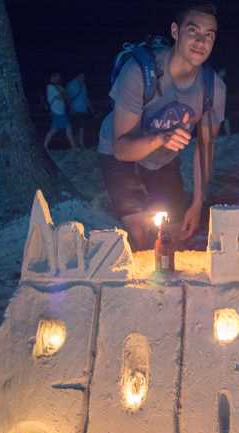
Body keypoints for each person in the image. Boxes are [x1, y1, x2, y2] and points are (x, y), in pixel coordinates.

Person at [97, 1, 226, 250]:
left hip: (163, 159)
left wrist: (197, 202)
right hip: (120, 153)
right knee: (140, 235)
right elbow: (122, 149)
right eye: (193, 31)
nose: (201, 42)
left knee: (173, 235)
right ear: (176, 32)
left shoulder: (213, 88)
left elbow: (204, 149)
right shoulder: (139, 72)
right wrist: (161, 138)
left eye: (209, 36)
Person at [44, 71, 78, 152]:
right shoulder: (50, 87)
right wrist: (63, 91)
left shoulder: (56, 87)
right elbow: (61, 97)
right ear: (52, 77)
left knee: (65, 128)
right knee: (54, 130)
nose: (58, 79)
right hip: (57, 112)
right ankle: (44, 146)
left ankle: (73, 147)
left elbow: (65, 96)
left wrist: (63, 92)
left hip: (60, 112)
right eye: (56, 77)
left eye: (59, 77)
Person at [66, 73, 94, 148]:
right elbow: (68, 98)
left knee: (81, 127)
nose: (83, 78)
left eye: (84, 77)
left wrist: (91, 109)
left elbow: (86, 97)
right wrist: (71, 108)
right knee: (78, 127)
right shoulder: (71, 84)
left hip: (83, 109)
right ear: (77, 75)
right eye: (81, 76)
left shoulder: (83, 84)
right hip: (75, 109)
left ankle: (80, 143)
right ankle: (79, 144)